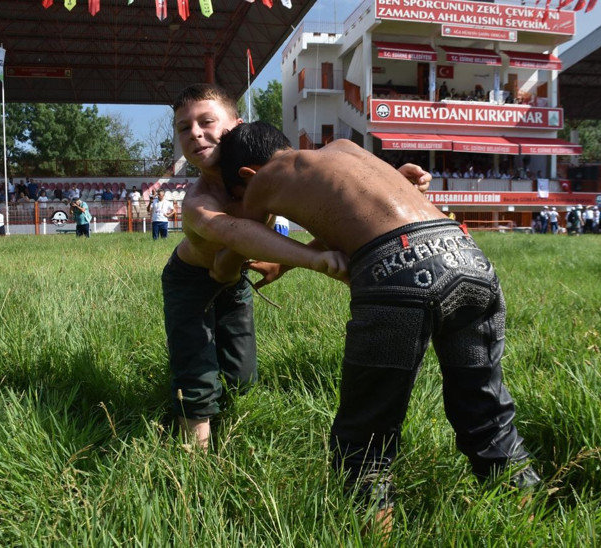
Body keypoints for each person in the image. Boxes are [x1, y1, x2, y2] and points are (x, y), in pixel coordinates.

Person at [217, 121, 539, 531]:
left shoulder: (261, 181)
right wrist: (285, 264)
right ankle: (528, 523)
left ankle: (373, 534)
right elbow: (362, 218)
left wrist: (223, 261)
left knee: (365, 436)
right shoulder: (344, 148)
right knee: (486, 410)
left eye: (238, 192)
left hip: (397, 274)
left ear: (247, 174)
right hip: (467, 257)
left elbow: (244, 237)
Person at [166, 84, 430, 454]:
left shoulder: (265, 171)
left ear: (237, 125)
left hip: (234, 280)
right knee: (196, 369)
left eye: (206, 121)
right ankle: (194, 458)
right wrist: (311, 258)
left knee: (242, 377)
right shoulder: (198, 203)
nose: (195, 132)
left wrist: (393, 184)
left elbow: (335, 188)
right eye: (184, 127)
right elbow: (236, 235)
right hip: (191, 281)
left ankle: (232, 421)